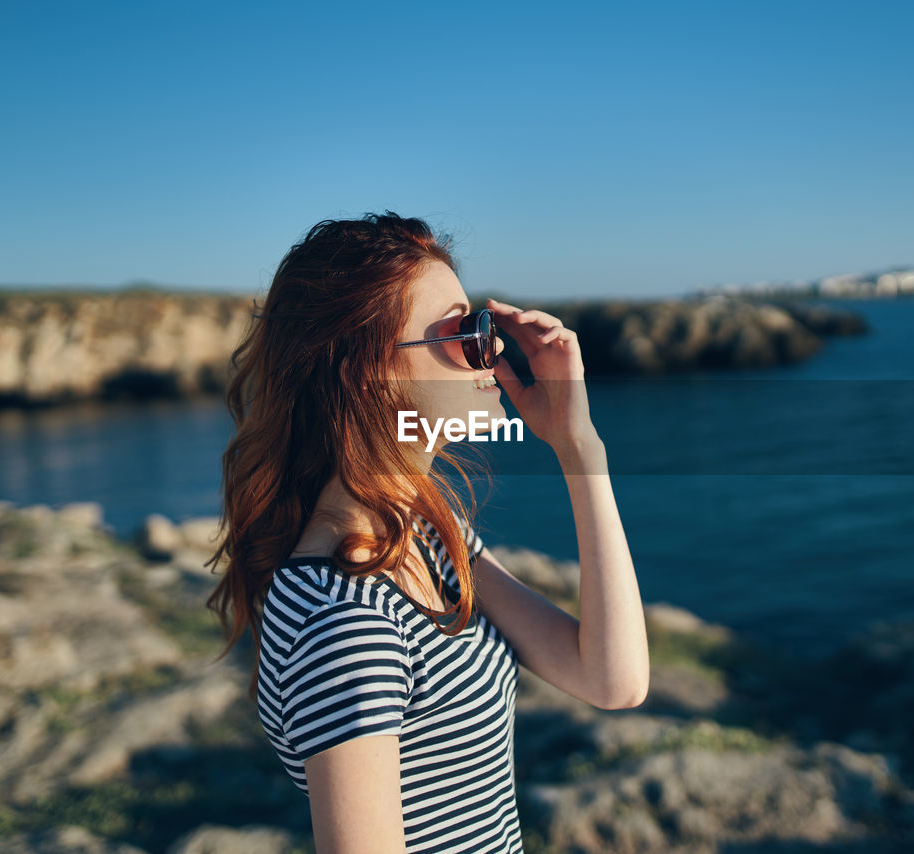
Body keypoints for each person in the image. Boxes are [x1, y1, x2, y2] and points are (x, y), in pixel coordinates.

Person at [206, 211, 650, 853]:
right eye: (465, 332)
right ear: (364, 370)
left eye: (487, 328)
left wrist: (579, 448)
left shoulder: (425, 530)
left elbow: (612, 679)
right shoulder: (344, 619)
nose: (492, 351)